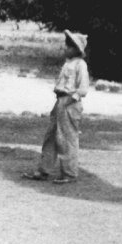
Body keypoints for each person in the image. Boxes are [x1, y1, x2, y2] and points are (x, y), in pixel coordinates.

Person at [22, 30, 90, 184]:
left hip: (70, 103)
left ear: (76, 49)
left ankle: (69, 173)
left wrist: (72, 99)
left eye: (69, 46)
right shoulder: (68, 64)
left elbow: (83, 88)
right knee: (51, 137)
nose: (66, 49)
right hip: (60, 101)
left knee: (67, 138)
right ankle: (43, 170)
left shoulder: (80, 65)